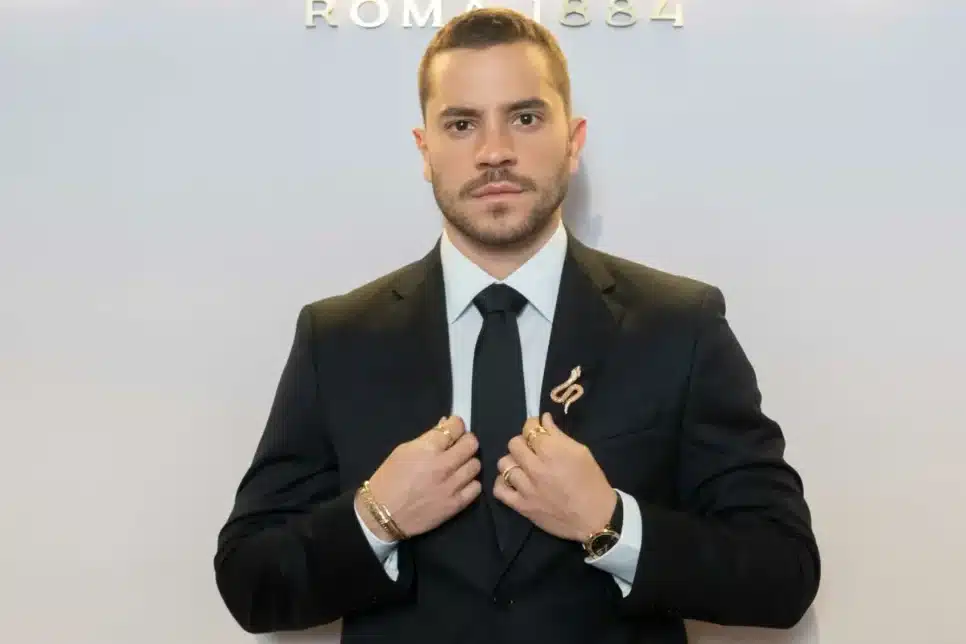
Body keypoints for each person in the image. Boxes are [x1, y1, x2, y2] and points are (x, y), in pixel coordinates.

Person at [213, 7, 820, 644]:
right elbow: (251, 583)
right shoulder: (337, 339)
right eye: (462, 124)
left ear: (574, 141)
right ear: (425, 150)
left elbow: (783, 573)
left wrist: (611, 523)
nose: (494, 152)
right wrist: (376, 516)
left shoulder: (679, 326)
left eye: (525, 118)